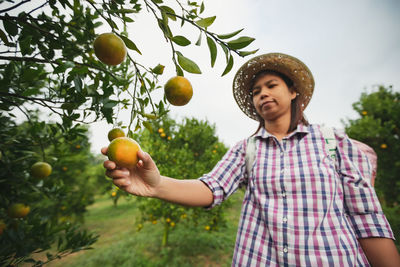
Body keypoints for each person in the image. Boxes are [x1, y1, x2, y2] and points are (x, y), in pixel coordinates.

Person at [102, 53, 400, 266]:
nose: (262, 94)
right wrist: (156, 185)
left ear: (293, 91)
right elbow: (212, 188)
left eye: (271, 85)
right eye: (256, 91)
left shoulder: (333, 141)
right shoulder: (247, 149)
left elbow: (367, 218)